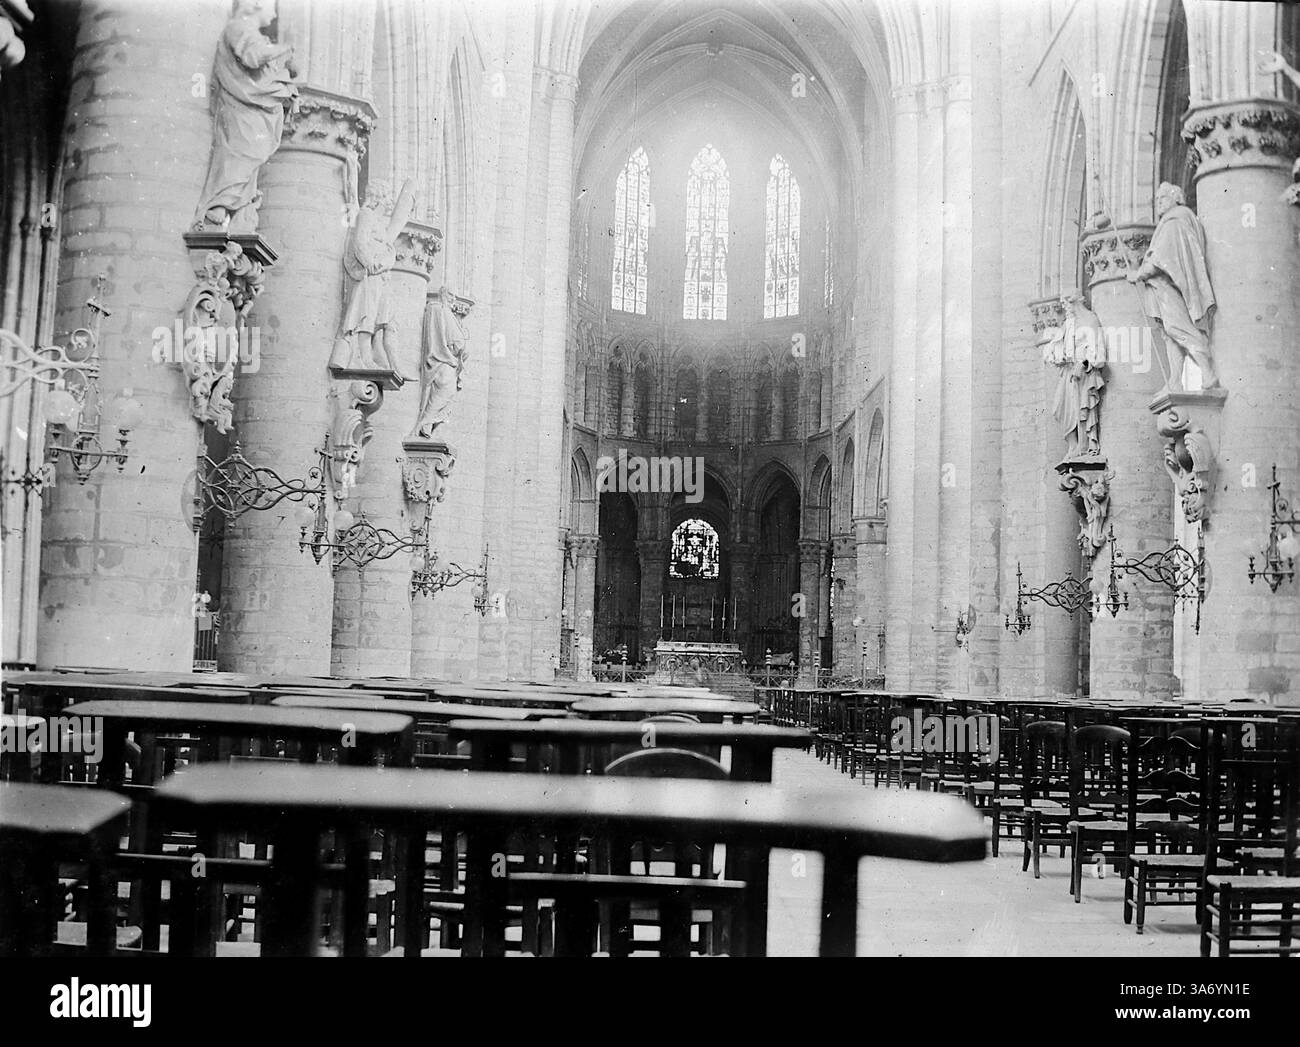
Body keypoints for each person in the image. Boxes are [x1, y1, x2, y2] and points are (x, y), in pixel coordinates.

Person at [192, 0, 298, 233]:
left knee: (250, 158)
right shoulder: (237, 28)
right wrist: (284, 48)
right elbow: (252, 57)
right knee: (241, 154)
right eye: (272, 6)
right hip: (241, 110)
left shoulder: (253, 35)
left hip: (253, 110)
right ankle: (219, 204)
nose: (274, 14)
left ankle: (236, 211)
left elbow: (263, 72)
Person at [1126, 182, 1219, 391]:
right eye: (1157, 200)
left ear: (1176, 199)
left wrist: (1137, 274)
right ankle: (1175, 380)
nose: (1158, 203)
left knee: (1178, 328)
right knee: (1170, 334)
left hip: (1171, 288)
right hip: (1164, 289)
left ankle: (1208, 373)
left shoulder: (1174, 221)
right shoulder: (1173, 220)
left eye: (1163, 198)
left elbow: (1159, 258)